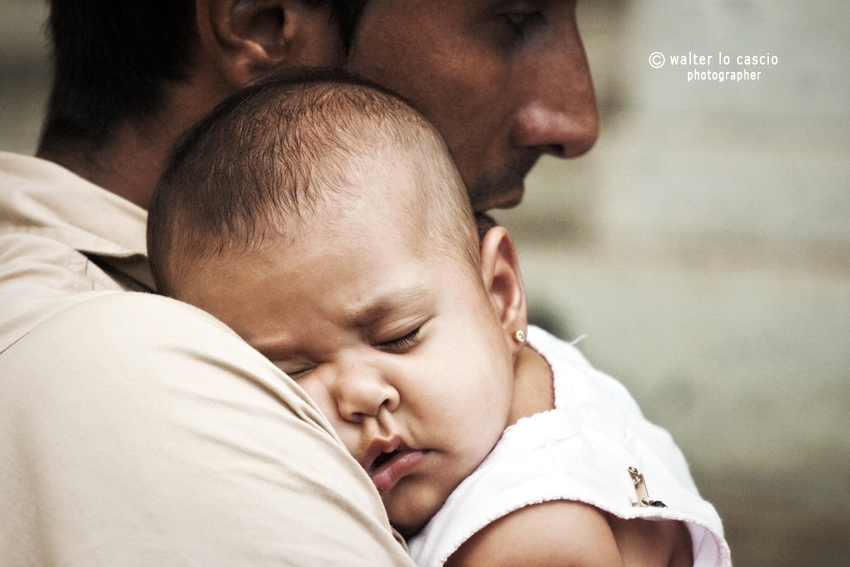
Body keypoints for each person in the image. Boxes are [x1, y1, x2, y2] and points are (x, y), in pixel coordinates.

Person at [0, 1, 697, 566]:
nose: (577, 118)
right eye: (514, 19)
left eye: (398, 333)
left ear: (500, 292)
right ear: (264, 22)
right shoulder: (118, 361)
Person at [146, 70, 731, 567]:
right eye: (291, 374)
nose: (361, 395)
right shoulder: (514, 384)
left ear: (501, 295)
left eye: (398, 337)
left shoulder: (530, 536)